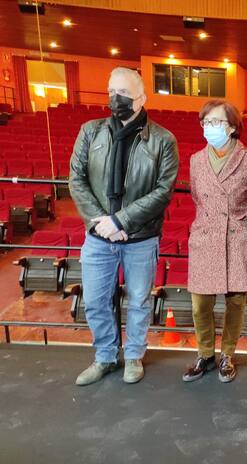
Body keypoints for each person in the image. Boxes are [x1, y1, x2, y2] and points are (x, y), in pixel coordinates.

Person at [70, 67, 179, 385]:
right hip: (98, 236)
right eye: (111, 91)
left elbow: (163, 191)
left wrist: (120, 220)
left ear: (141, 98)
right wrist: (102, 223)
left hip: (140, 237)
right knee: (94, 301)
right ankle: (105, 357)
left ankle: (133, 356)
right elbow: (76, 180)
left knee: (139, 301)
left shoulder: (163, 140)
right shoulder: (90, 132)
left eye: (123, 93)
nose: (115, 98)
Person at [182, 99, 247, 383]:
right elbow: (198, 199)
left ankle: (228, 354)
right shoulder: (196, 160)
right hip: (205, 237)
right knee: (199, 305)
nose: (209, 127)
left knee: (236, 303)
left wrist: (239, 223)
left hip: (237, 239)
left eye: (216, 122)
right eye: (205, 122)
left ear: (232, 126)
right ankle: (205, 354)